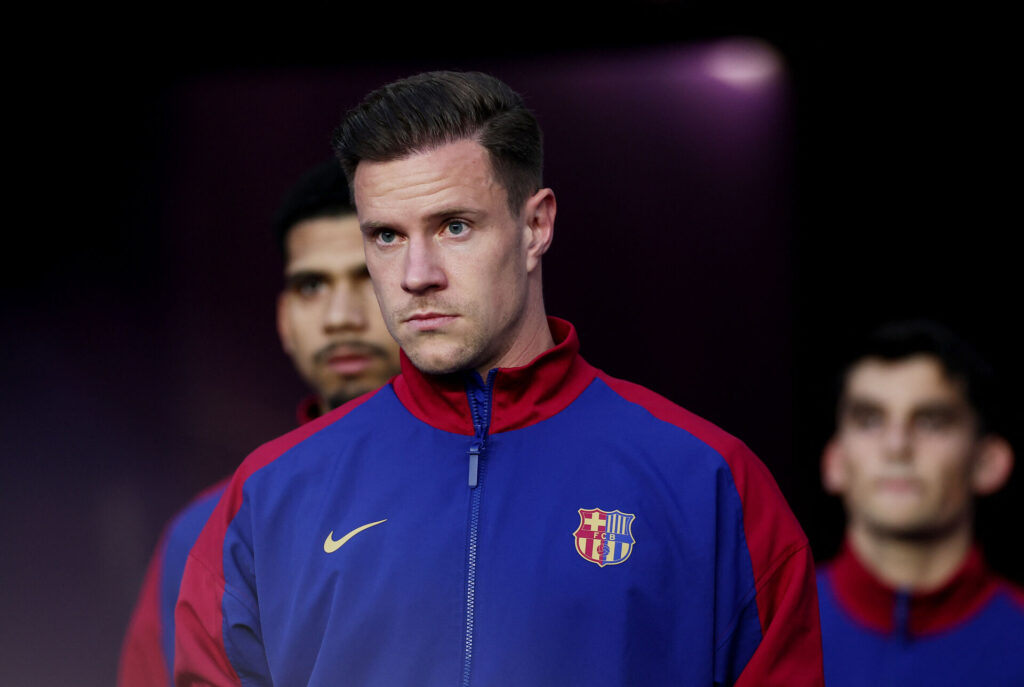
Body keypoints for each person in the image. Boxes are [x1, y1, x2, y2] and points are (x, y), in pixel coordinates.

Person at [175, 70, 824, 686]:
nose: (416, 274)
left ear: (536, 225)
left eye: (454, 226)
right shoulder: (270, 496)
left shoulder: (709, 483)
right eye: (387, 236)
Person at [116, 161, 401, 686]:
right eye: (312, 285)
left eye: (368, 278)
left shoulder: (489, 489)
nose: (341, 316)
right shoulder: (208, 531)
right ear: (284, 319)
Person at [817, 320, 1024, 686]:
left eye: (931, 422)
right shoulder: (769, 630)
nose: (897, 446)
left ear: (987, 463)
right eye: (869, 421)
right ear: (834, 462)